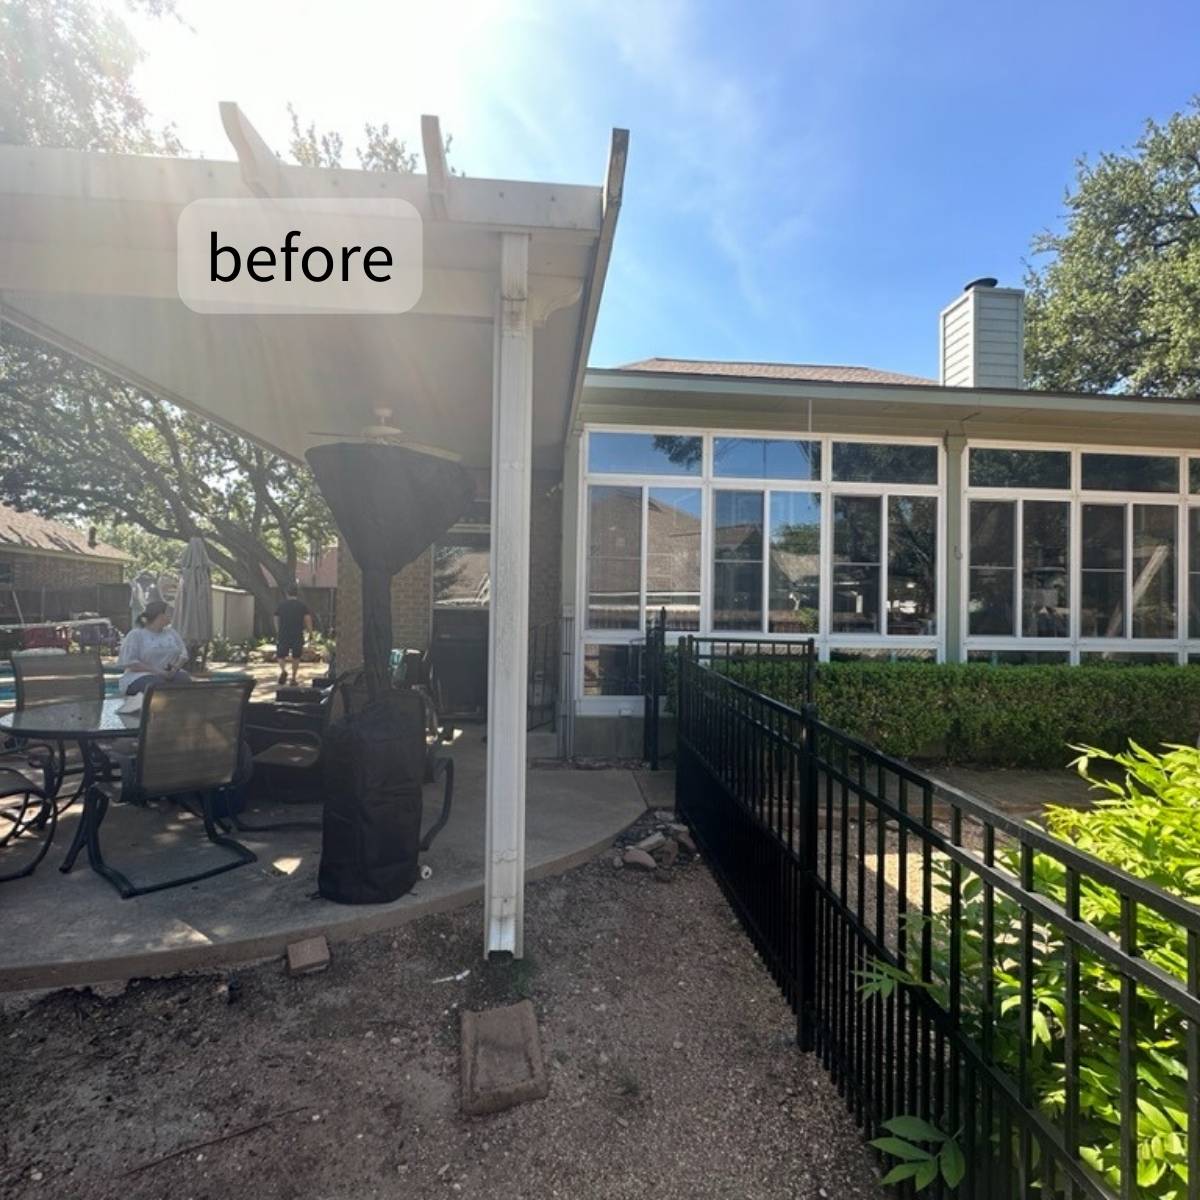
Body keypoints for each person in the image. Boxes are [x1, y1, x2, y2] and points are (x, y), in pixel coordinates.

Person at [117, 600, 191, 695]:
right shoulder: (136, 634)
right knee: (157, 685)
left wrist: (175, 669)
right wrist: (159, 672)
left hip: (169, 674)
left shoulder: (171, 632)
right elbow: (130, 662)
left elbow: (184, 654)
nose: (171, 615)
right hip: (140, 675)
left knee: (185, 681)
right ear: (160, 615)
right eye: (169, 613)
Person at [274, 583, 314, 686]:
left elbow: (275, 618)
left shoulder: (281, 605)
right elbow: (308, 619)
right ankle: (293, 678)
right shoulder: (302, 606)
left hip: (284, 633)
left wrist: (278, 630)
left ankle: (283, 670)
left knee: (280, 655)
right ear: (297, 594)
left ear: (287, 594)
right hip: (297, 633)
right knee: (296, 656)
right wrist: (310, 632)